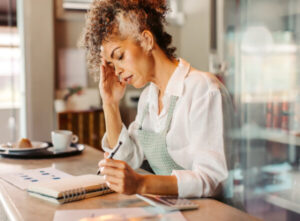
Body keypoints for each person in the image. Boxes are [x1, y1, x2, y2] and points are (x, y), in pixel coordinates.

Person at [82, 0, 232, 198]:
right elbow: (127, 161)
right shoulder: (148, 98)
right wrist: (109, 103)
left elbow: (213, 179)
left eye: (119, 56)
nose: (117, 71)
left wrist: (141, 184)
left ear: (146, 40)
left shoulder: (203, 90)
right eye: (111, 64)